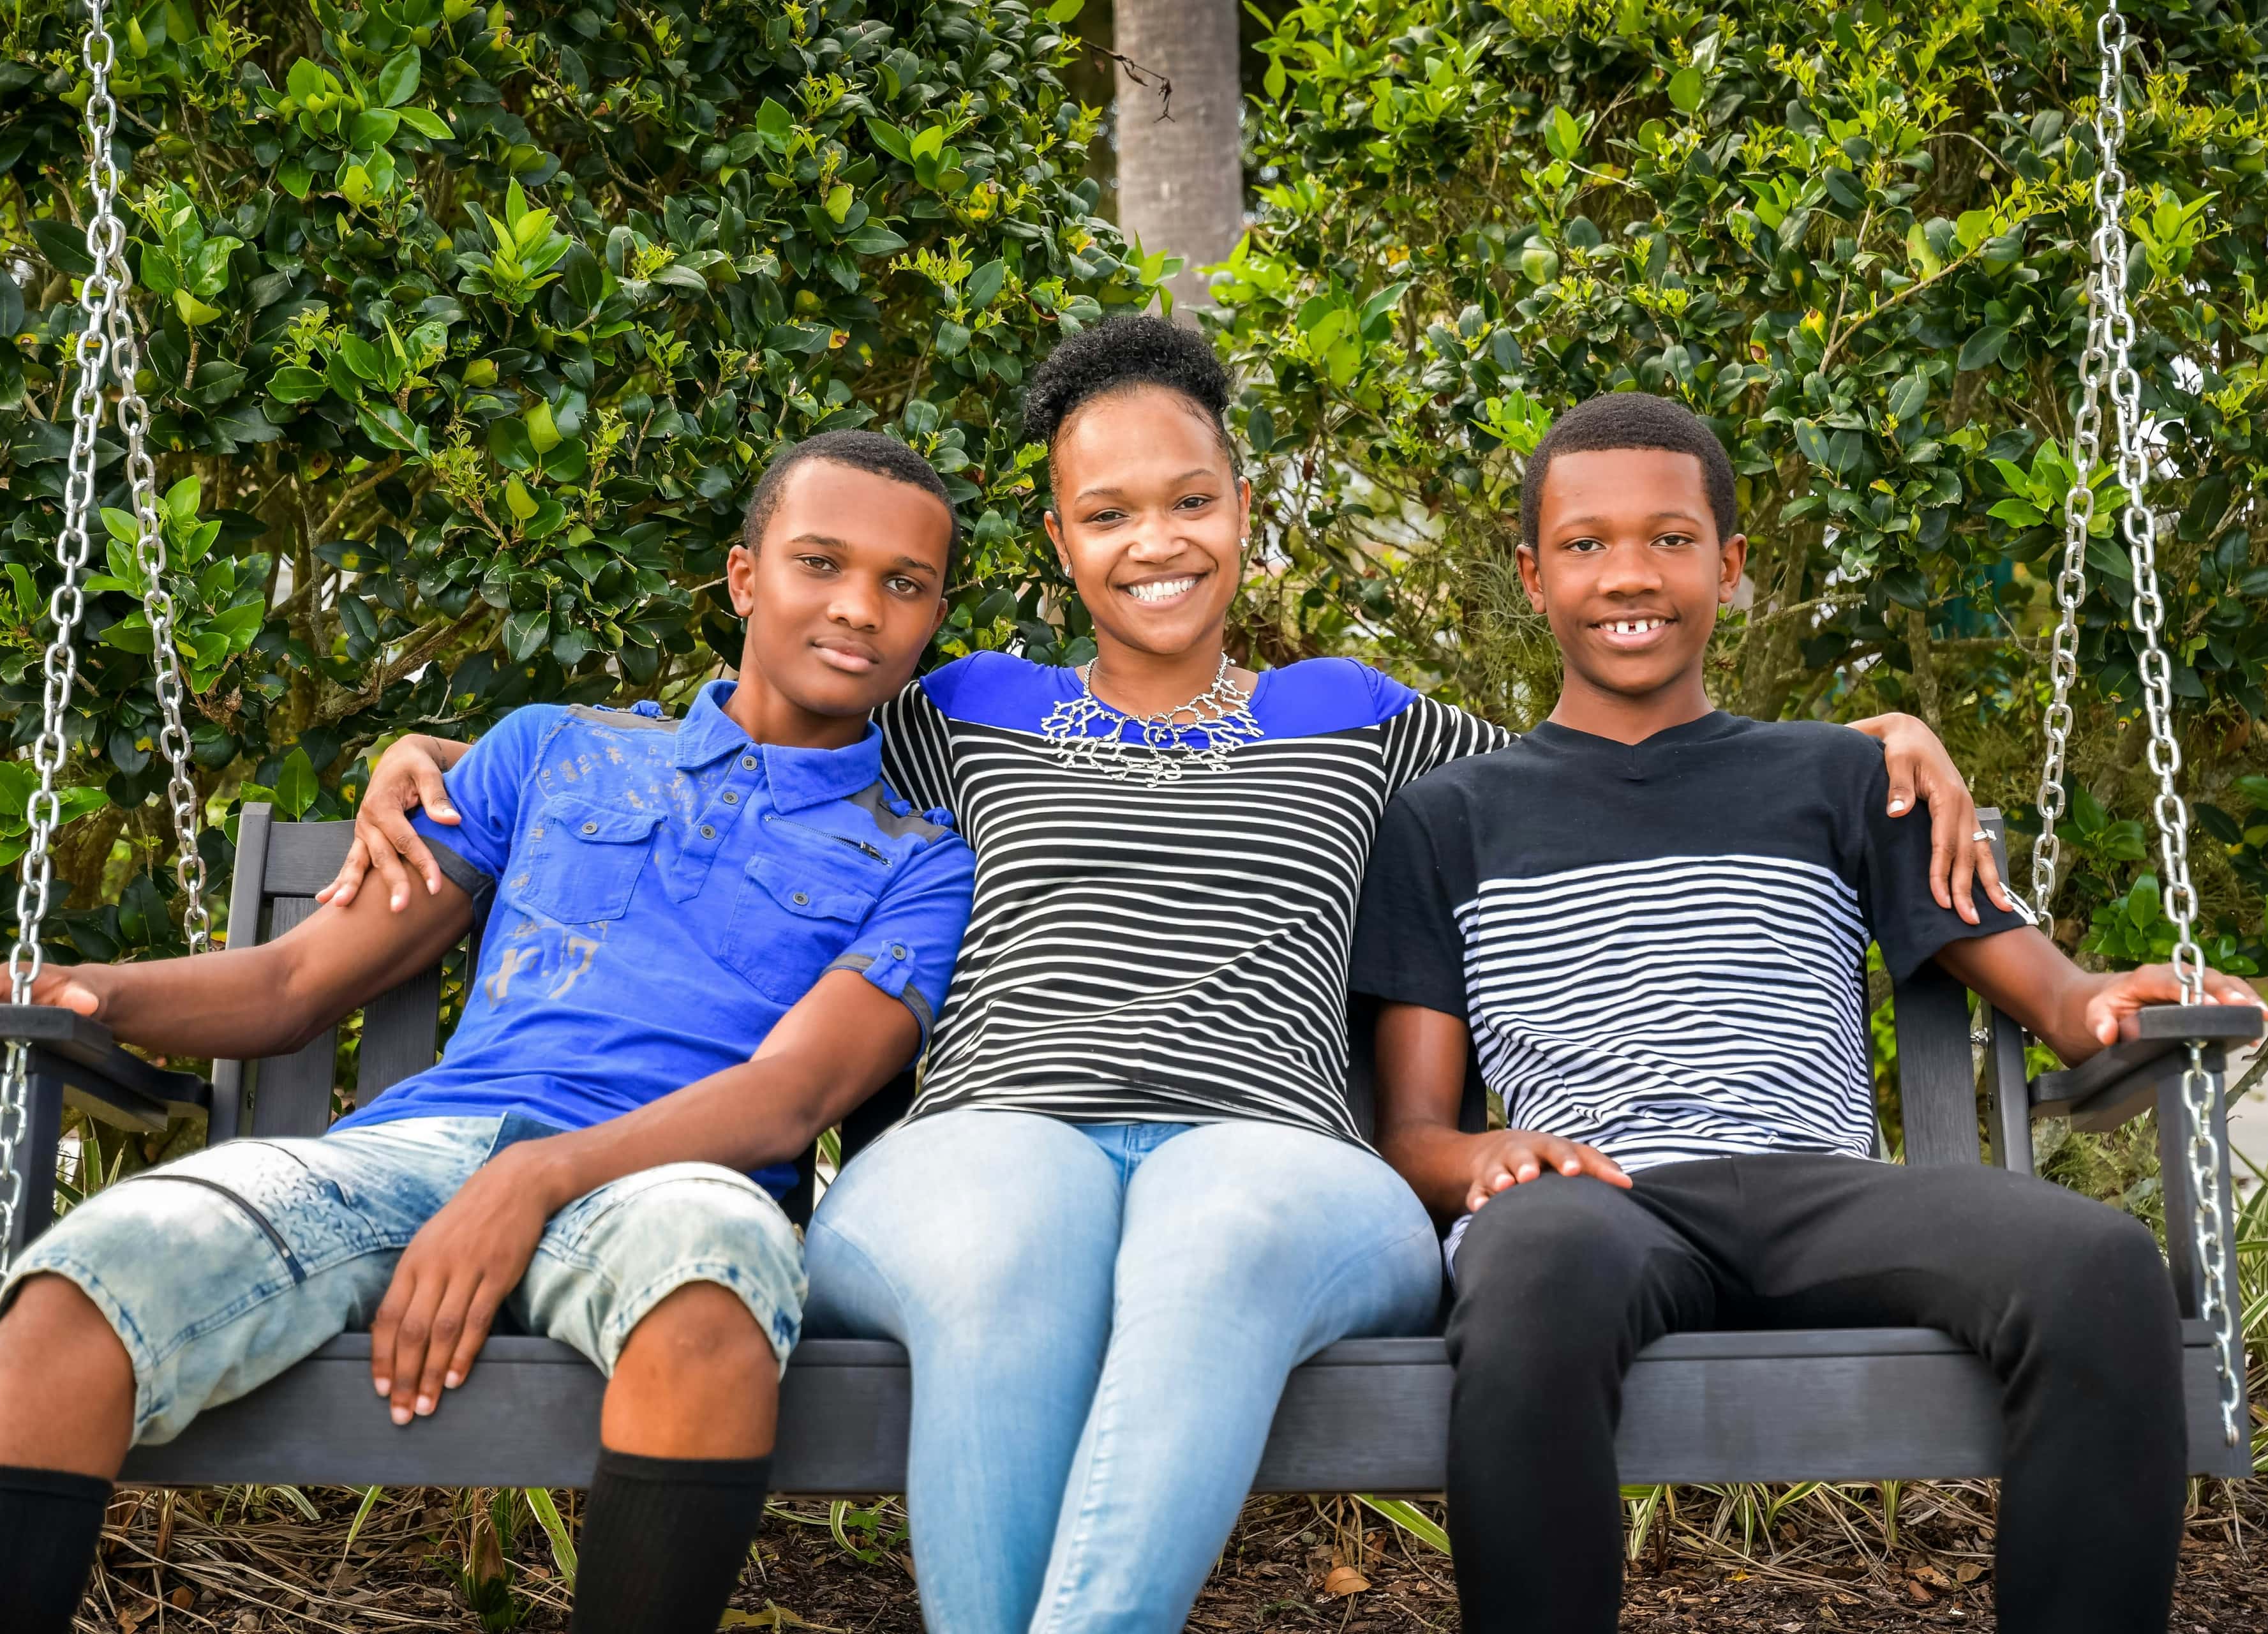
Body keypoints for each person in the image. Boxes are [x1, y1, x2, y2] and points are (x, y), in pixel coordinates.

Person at [333, 319, 2004, 1634]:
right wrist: (440, 756)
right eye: (1110, 512)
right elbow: (764, 722)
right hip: (989, 1134)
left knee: (1212, 1234)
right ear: (1060, 540)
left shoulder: (1357, 712)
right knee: (1012, 1234)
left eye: (1189, 501)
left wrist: (1871, 743)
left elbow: (1613, 768)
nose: (1157, 541)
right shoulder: (964, 705)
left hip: (1281, 1158)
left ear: (1243, 514)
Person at [0, 431, 976, 1634]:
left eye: (904, 584)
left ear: (931, 617)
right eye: (820, 562)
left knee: (715, 1285)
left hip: (674, 1181)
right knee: (89, 1282)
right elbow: (299, 981)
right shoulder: (556, 752)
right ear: (743, 577)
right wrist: (89, 984)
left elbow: (791, 1095)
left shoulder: (922, 859)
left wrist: (538, 1176)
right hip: (412, 1157)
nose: (859, 608)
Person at [1348, 393, 2268, 1634]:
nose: (1629, 572)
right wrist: (1480, 1154)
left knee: (2099, 1262)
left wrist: (2098, 996)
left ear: (1731, 566)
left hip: (1818, 1188)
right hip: (1601, 1195)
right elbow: (1413, 1126)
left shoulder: (1842, 773)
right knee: (1533, 1269)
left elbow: (2035, 982)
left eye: (1672, 539)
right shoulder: (1447, 817)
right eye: (1584, 543)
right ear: (1531, 574)